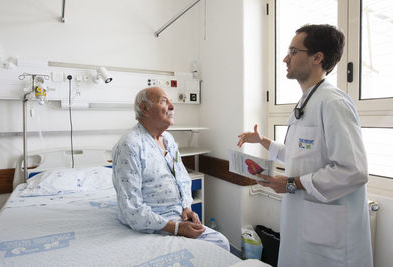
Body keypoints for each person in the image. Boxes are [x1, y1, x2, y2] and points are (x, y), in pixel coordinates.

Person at [237, 24, 373, 267]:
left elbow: (354, 170)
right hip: (306, 222)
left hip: (329, 233)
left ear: (317, 58)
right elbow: (302, 156)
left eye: (293, 51)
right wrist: (263, 141)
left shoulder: (333, 103)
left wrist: (291, 183)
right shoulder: (308, 100)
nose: (285, 58)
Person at [112, 86, 230, 251]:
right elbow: (131, 209)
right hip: (154, 222)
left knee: (221, 243)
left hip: (177, 216)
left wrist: (187, 207)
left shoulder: (168, 139)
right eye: (164, 101)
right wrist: (175, 228)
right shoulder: (130, 145)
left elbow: (181, 176)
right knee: (216, 246)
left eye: (171, 102)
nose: (173, 107)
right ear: (145, 108)